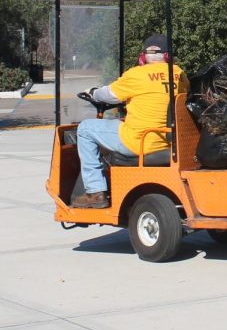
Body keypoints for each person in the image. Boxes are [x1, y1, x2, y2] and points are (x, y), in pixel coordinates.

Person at [72, 34, 186, 208]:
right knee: (119, 122)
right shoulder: (179, 74)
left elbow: (108, 95)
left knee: (85, 128)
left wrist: (93, 92)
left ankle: (95, 192)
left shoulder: (136, 75)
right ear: (167, 55)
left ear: (144, 56)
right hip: (167, 140)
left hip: (138, 141)